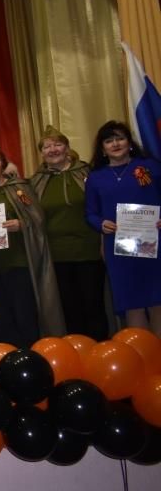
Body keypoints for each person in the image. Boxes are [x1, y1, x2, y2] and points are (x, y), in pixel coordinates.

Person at [0, 142, 64, 346]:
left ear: (3, 164)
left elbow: (37, 219)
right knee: (2, 320)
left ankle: (30, 357)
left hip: (20, 263)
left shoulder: (19, 188)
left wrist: (21, 224)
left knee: (25, 316)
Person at [29, 126, 108, 340]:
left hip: (89, 251)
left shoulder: (88, 173)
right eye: (47, 146)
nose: (53, 149)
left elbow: (102, 206)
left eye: (57, 144)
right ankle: (78, 349)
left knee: (93, 304)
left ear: (67, 147)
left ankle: (99, 348)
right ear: (41, 153)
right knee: (69, 307)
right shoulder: (35, 182)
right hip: (56, 255)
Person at [85, 120, 161, 335]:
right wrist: (101, 223)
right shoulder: (95, 178)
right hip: (119, 247)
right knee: (131, 301)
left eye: (120, 138)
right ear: (102, 148)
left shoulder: (151, 167)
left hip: (154, 243)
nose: (115, 144)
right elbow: (90, 213)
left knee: (157, 299)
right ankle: (141, 350)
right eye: (109, 141)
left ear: (129, 143)